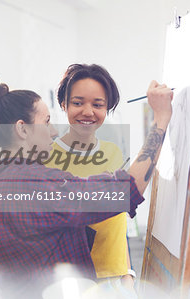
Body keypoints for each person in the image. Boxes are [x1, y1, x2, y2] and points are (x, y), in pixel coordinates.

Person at [0, 74, 173, 297]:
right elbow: (127, 190)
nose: (54, 131)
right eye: (46, 122)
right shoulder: (37, 186)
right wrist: (161, 119)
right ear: (23, 129)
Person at [45, 64, 134, 288]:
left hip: (115, 279)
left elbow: (118, 221)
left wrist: (127, 273)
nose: (87, 111)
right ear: (63, 104)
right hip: (72, 281)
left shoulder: (113, 153)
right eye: (77, 102)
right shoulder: (46, 157)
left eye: (97, 104)